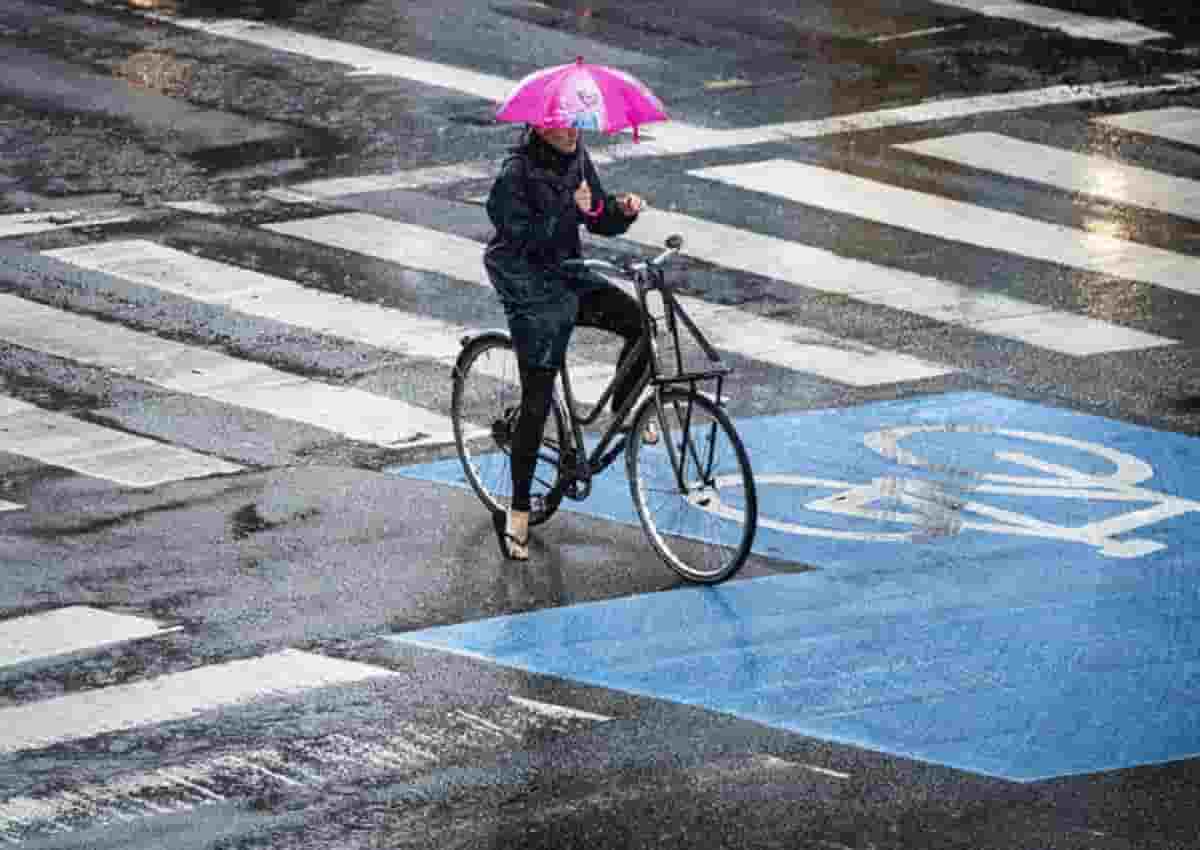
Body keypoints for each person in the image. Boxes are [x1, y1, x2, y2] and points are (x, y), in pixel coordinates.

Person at [483, 123, 649, 561]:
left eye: (575, 123)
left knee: (640, 324)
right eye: (561, 125)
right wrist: (565, 209)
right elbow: (520, 237)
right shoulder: (514, 174)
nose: (571, 131)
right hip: (529, 287)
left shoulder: (577, 158)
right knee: (537, 399)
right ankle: (518, 513)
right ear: (540, 126)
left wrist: (622, 210)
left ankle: (623, 413)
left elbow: (597, 214)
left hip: (567, 275)